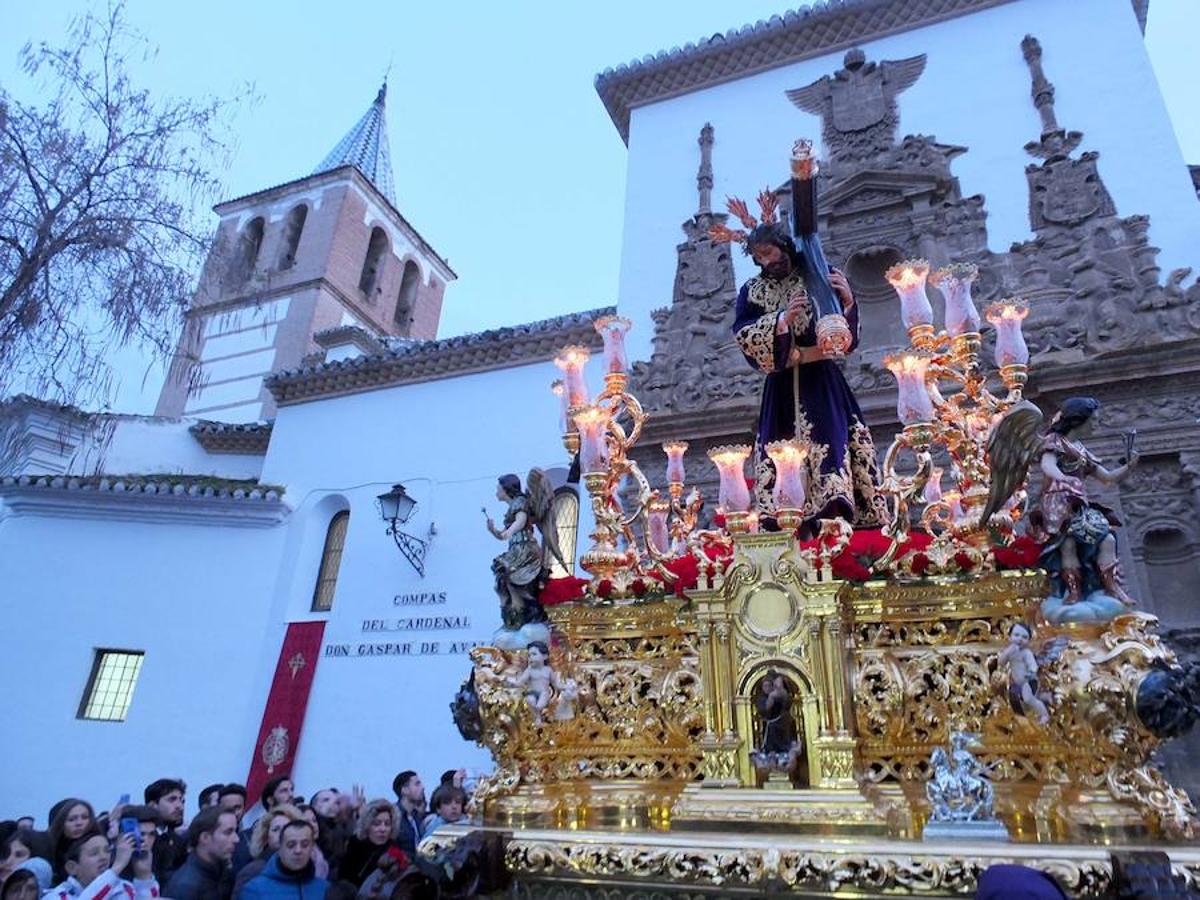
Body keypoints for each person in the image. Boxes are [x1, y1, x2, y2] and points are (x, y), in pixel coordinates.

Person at [712, 182, 888, 531]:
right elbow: (742, 333)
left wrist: (849, 303)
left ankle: (837, 527)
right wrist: (781, 321)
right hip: (779, 389)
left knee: (830, 448)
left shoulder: (816, 277)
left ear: (785, 247)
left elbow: (843, 341)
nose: (767, 261)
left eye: (771, 253)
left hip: (820, 384)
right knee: (780, 464)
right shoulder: (752, 291)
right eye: (759, 257)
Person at [46, 831, 158, 900]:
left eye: (107, 851)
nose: (104, 857)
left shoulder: (124, 887)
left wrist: (144, 876)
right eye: (94, 853)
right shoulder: (56, 896)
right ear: (72, 868)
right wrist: (117, 866)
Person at [238, 821, 326, 900]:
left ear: (312, 848)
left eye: (305, 845)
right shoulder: (254, 890)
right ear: (280, 849)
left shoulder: (325, 889)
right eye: (291, 845)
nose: (298, 850)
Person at [165, 807, 237, 900]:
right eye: (228, 832)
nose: (236, 839)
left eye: (235, 831)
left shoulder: (224, 872)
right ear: (205, 837)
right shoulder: (184, 886)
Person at [231, 806, 302, 899]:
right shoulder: (253, 871)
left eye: (288, 828)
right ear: (266, 837)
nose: (282, 833)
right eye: (276, 829)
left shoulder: (307, 867)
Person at [337, 800, 398, 887]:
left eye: (387, 824)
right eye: (377, 824)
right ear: (367, 825)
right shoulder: (354, 848)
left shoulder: (395, 851)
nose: (383, 829)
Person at [144, 779, 187, 885]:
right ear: (153, 806)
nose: (180, 806)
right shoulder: (140, 839)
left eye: (182, 801)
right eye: (172, 800)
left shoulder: (178, 842)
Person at [46, 801, 96, 883]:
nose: (79, 823)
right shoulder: (49, 855)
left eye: (84, 817)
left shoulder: (101, 845)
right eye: (71, 819)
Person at [216, 786, 250, 875]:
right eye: (227, 808)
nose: (232, 812)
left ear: (244, 809)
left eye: (237, 807)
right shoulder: (210, 839)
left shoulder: (251, 837)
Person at [390, 773, 425, 858]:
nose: (423, 787)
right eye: (417, 784)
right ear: (404, 790)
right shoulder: (393, 816)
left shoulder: (417, 816)